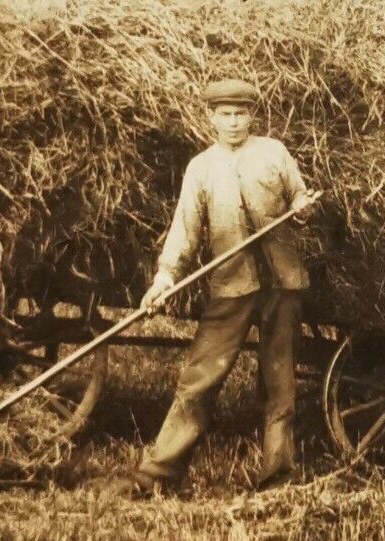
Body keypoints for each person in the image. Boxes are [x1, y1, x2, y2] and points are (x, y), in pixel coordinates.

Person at [103, 79, 317, 498]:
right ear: (210, 118)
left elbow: (300, 200)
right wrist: (165, 276)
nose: (234, 123)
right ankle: (158, 474)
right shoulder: (201, 168)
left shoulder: (274, 153)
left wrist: (302, 208)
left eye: (241, 114)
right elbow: (185, 231)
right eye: (225, 115)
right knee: (199, 380)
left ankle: (278, 478)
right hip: (231, 287)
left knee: (279, 383)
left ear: (252, 115)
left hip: (283, 285)